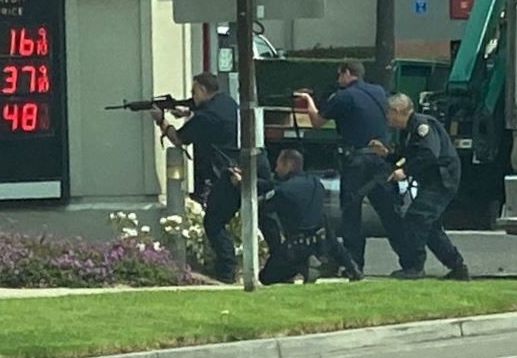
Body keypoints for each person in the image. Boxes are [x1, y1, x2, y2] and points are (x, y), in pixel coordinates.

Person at [155, 72, 281, 283]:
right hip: (258, 160)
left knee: (214, 221)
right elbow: (212, 116)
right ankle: (284, 264)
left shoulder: (205, 118)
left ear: (203, 90)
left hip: (234, 170)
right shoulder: (226, 102)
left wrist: (161, 121)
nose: (192, 96)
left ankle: (226, 270)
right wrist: (188, 111)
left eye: (194, 91)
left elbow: (179, 139)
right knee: (266, 215)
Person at [296, 60, 415, 275]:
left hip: (356, 161)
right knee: (390, 213)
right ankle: (411, 263)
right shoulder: (379, 92)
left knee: (351, 214)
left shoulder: (343, 96)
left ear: (347, 73)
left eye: (339, 75)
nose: (337, 79)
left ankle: (353, 264)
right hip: (381, 159)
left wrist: (309, 101)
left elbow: (317, 122)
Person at [373, 93, 470, 281]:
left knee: (416, 218)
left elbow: (429, 154)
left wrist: (405, 171)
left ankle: (414, 267)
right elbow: (408, 156)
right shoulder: (409, 130)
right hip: (433, 181)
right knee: (430, 226)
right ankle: (457, 267)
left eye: (388, 113)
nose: (387, 118)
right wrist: (387, 155)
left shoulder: (422, 126)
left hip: (442, 180)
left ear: (397, 111)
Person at [229, 149, 362, 285]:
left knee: (266, 277)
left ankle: (304, 267)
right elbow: (273, 185)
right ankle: (336, 267)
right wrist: (247, 179)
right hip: (320, 244)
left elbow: (258, 205)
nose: (276, 169)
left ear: (288, 165)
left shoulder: (283, 192)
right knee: (327, 236)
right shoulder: (315, 183)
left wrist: (240, 185)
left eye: (279, 165)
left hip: (296, 249)